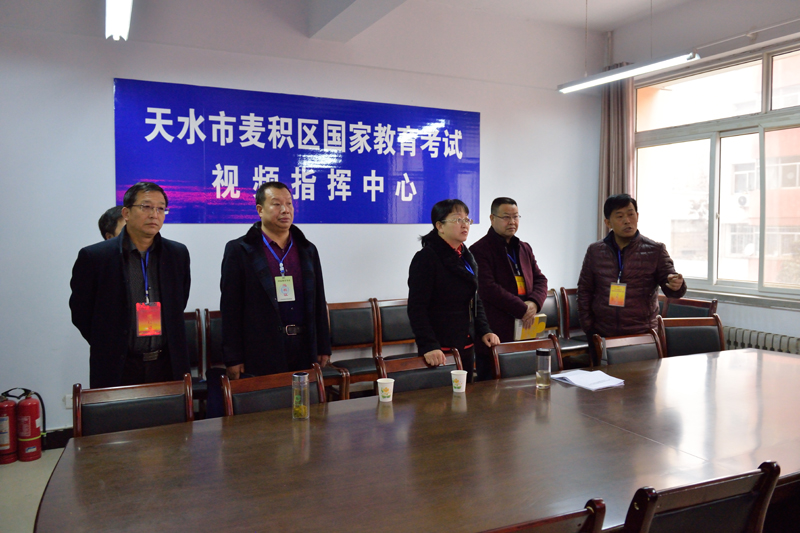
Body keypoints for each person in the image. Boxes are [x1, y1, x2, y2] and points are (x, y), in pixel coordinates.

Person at [70, 182, 191, 388]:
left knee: (169, 410)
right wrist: (109, 342)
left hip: (167, 363)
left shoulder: (177, 254)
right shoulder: (96, 257)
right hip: (117, 364)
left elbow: (180, 302)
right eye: (146, 207)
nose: (154, 214)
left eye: (160, 208)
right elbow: (81, 312)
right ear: (126, 213)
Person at [220, 181, 331, 379]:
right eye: (277, 204)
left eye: (289, 204)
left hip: (304, 346)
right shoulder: (239, 250)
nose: (285, 210)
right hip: (261, 349)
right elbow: (231, 309)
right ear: (260, 210)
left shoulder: (307, 249)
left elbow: (318, 302)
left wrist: (323, 347)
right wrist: (233, 358)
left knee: (304, 398)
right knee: (268, 399)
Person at [577, 193, 686, 362]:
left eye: (631, 214)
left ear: (637, 216)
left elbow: (671, 285)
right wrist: (589, 327)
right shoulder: (595, 251)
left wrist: (676, 284)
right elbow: (584, 290)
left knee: (642, 379)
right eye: (620, 216)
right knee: (603, 378)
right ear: (608, 223)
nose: (627, 221)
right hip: (603, 333)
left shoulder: (655, 250)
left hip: (641, 335)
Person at [407, 199, 500, 382]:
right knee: (440, 398)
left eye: (467, 220)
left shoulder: (465, 256)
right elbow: (417, 308)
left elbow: (474, 298)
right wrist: (429, 345)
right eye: (458, 219)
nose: (465, 225)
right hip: (440, 347)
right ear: (440, 226)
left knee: (466, 395)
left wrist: (484, 330)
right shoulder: (426, 258)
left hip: (466, 342)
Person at [471, 197, 548, 380]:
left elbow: (540, 279)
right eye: (506, 217)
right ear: (492, 218)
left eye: (516, 217)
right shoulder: (479, 250)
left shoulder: (524, 248)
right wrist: (522, 308)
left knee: (526, 386)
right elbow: (488, 288)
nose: (512, 222)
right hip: (496, 330)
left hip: (526, 329)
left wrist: (533, 303)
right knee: (492, 389)